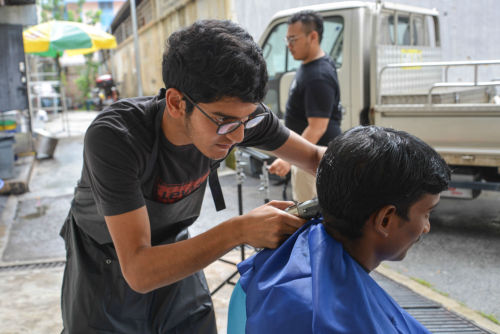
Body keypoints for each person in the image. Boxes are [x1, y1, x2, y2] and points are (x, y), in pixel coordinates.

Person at [59, 20, 325, 333]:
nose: (238, 136)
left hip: (174, 244)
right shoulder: (117, 137)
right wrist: (238, 230)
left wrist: (378, 173)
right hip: (104, 261)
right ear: (175, 102)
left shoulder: (241, 118)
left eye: (247, 119)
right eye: (224, 121)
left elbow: (314, 157)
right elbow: (140, 270)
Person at [230, 126, 451, 333]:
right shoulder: (330, 321)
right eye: (426, 213)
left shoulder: (261, 273)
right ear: (385, 220)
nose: (426, 228)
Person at [270, 10, 341, 202]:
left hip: (312, 159)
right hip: (306, 157)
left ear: (313, 36)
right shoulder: (311, 64)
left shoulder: (318, 75)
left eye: (293, 39)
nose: (289, 46)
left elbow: (317, 127)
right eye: (287, 40)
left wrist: (289, 158)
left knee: (310, 217)